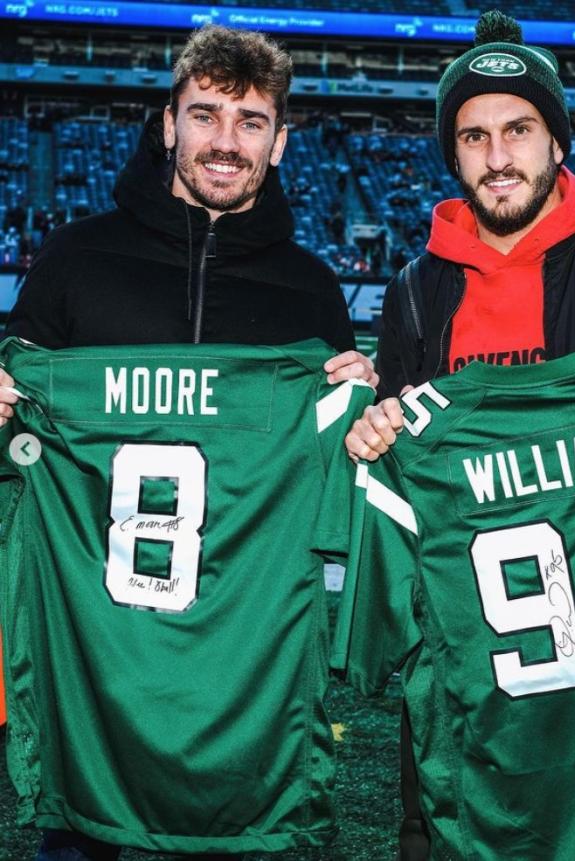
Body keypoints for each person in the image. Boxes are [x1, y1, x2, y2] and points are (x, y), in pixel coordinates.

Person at [344, 10, 575, 860]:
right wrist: (372, 436)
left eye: (518, 128)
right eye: (473, 136)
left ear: (557, 140)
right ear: (452, 155)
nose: (498, 155)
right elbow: (404, 476)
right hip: (478, 686)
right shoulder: (414, 293)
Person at [0, 23, 375, 861]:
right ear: (169, 124)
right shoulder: (76, 259)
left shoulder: (310, 289)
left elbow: (335, 480)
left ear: (280, 142)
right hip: (94, 662)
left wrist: (356, 410)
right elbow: (18, 441)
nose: (225, 141)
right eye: (205, 115)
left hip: (239, 679)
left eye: (251, 121)